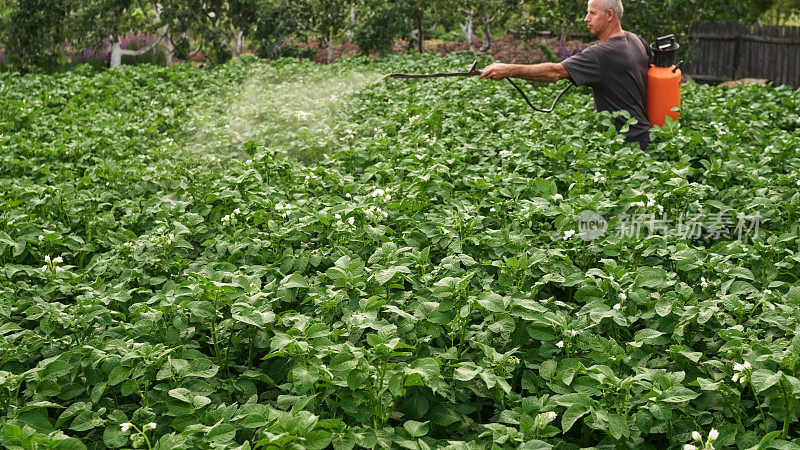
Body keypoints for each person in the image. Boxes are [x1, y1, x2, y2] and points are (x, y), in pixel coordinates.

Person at [479, 0, 652, 150]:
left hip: (627, 143)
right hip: (646, 134)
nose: (586, 18)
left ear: (609, 14)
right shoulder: (637, 41)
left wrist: (507, 69)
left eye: (592, 13)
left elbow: (554, 73)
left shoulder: (601, 54)